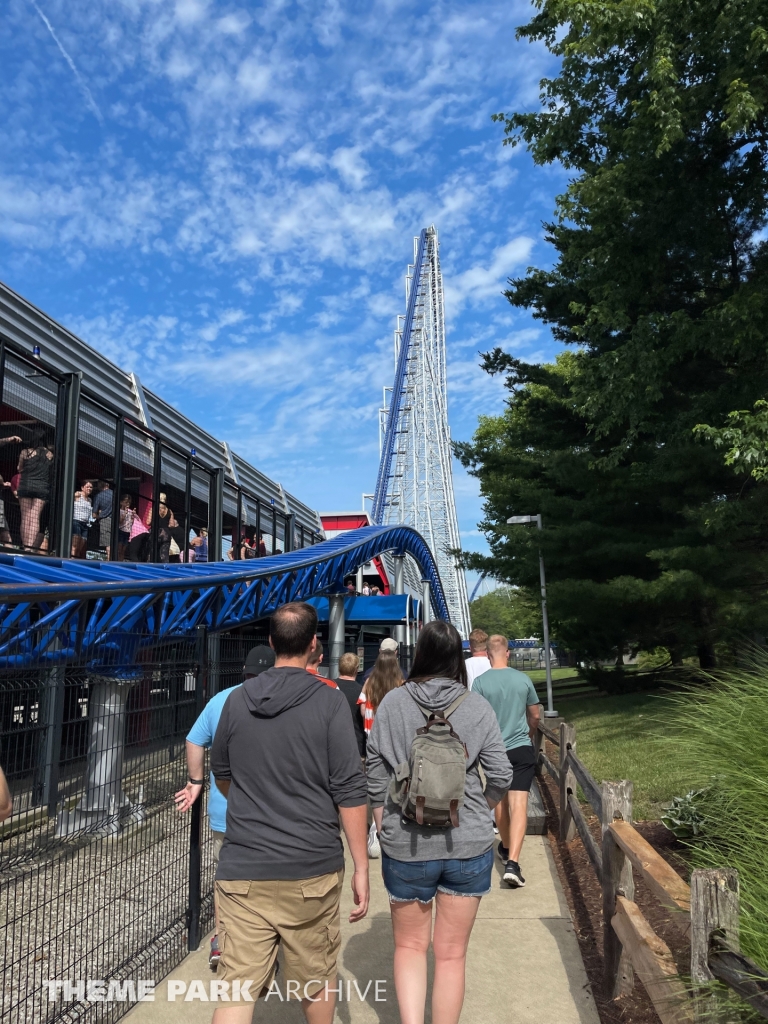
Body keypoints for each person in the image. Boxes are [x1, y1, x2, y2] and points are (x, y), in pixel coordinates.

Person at [210, 601, 369, 1024]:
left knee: (236, 989)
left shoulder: (237, 701)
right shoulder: (330, 703)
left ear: (271, 641)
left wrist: (255, 797)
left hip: (243, 866)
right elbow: (349, 789)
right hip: (310, 866)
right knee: (314, 979)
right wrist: (361, 865)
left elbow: (222, 772)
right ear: (315, 644)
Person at [366, 619, 512, 1024]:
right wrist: (481, 806)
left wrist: (384, 825)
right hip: (468, 845)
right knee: (451, 955)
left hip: (406, 845)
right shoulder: (477, 706)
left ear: (421, 654)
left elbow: (375, 778)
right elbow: (501, 774)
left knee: (410, 948)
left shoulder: (393, 704)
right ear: (457, 659)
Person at [175, 644, 276, 968]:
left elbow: (193, 739)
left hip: (226, 810)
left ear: (244, 671)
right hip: (270, 813)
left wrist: (196, 780)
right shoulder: (281, 699)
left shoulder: (221, 700)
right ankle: (264, 944)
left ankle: (222, 938)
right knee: (266, 881)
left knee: (227, 879)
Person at [472, 634, 541, 888]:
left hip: (494, 752)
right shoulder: (522, 679)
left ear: (488, 654)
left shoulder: (479, 683)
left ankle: (506, 845)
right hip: (520, 747)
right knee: (519, 803)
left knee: (499, 802)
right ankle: (513, 862)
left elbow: (477, 718)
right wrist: (528, 735)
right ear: (508, 653)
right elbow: (535, 715)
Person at [17, 428, 54, 552]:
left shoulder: (25, 452)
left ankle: (25, 545)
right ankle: (30, 547)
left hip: (26, 485)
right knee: (35, 516)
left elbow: (19, 468)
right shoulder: (49, 454)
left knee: (25, 516)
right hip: (41, 487)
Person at [357, 650, 403, 738]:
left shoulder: (369, 682)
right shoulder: (401, 684)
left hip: (372, 730)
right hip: (394, 731)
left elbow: (363, 710)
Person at [335, 652, 366, 759]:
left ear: (339, 667)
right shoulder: (362, 692)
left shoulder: (328, 688)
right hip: (356, 747)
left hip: (332, 747)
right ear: (356, 669)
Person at [71, 481, 93, 558]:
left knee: (80, 548)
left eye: (91, 487)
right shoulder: (78, 495)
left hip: (85, 524)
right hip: (76, 521)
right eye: (87, 487)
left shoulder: (90, 500)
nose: (89, 489)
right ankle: (71, 560)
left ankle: (75, 561)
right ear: (82, 488)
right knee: (75, 546)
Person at [91, 480, 113, 558]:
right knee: (115, 542)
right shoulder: (114, 494)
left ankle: (109, 560)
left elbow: (94, 514)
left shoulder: (99, 496)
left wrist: (98, 515)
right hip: (115, 521)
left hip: (105, 520)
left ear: (100, 486)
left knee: (107, 543)